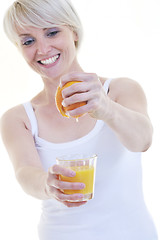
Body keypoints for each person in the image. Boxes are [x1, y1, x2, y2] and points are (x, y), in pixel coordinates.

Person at [0, 0, 158, 239]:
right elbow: (25, 173)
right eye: (28, 41)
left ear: (73, 31)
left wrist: (106, 108)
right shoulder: (18, 118)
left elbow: (143, 141)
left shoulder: (120, 90)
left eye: (52, 32)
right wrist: (47, 184)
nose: (42, 49)